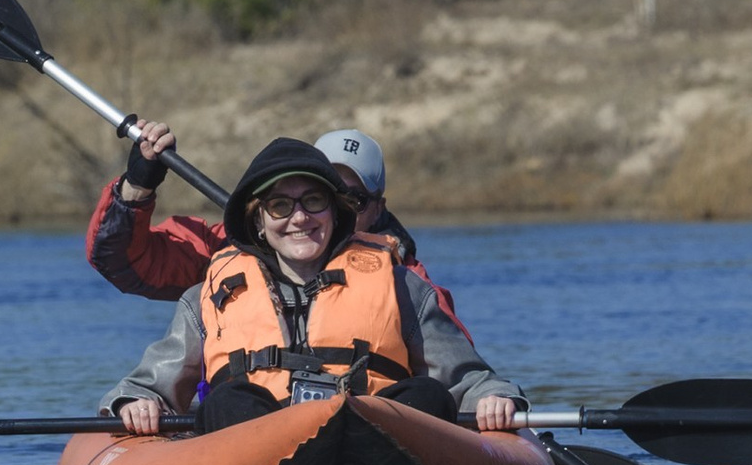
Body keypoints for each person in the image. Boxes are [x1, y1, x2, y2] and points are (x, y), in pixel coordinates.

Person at [103, 137, 523, 436]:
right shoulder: (209, 294)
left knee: (425, 396)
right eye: (280, 205)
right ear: (259, 222)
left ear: (338, 213)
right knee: (230, 402)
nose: (300, 218)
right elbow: (147, 384)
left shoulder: (401, 284)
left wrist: (494, 397)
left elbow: (467, 379)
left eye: (314, 201)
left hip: (373, 452)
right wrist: (136, 402)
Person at [86, 118, 471, 332]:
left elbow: (454, 368)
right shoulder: (227, 252)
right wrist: (137, 186)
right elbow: (121, 261)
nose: (304, 218)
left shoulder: (402, 278)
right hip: (247, 420)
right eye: (323, 194)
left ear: (379, 208)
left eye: (355, 200)